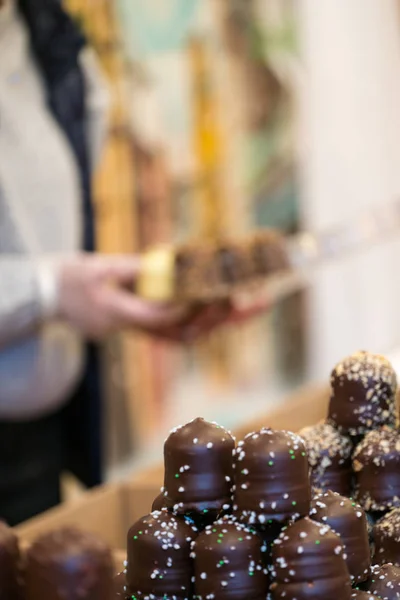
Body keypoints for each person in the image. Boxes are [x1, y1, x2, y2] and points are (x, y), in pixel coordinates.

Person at [0, 0, 269, 526]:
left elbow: (49, 232)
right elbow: (48, 278)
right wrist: (50, 290)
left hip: (38, 443)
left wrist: (138, 295)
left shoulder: (46, 34)